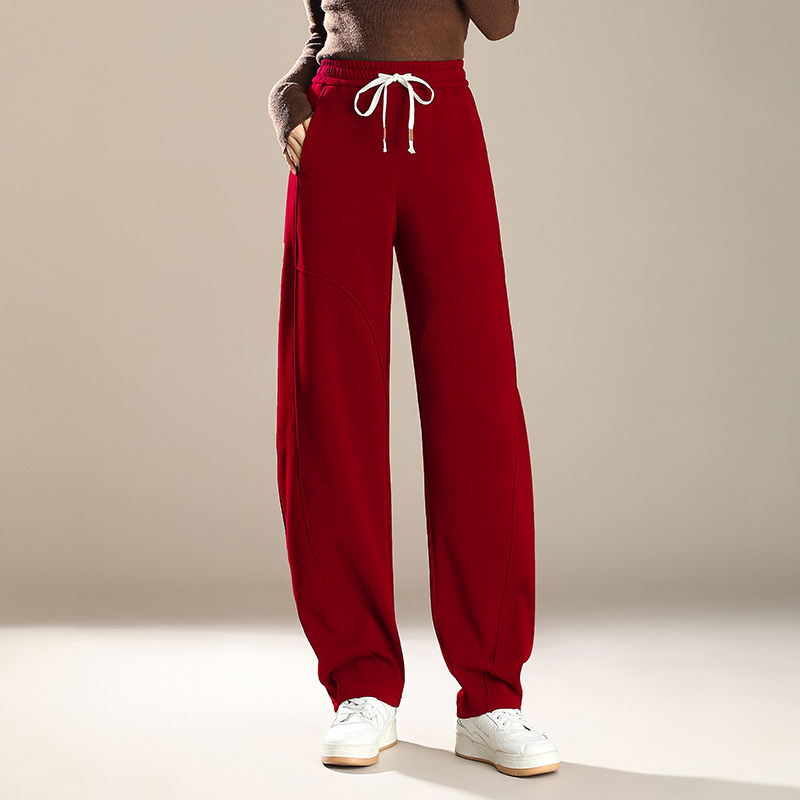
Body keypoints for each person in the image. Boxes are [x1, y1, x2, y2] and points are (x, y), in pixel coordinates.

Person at [268, 0, 560, 778]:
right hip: (340, 133)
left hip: (444, 127)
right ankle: (360, 685)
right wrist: (289, 100)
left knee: (478, 406)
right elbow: (321, 34)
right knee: (330, 406)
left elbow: (498, 20)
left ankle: (491, 697)